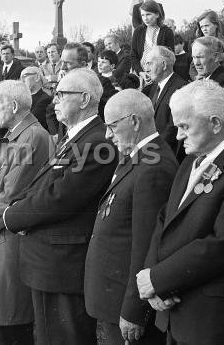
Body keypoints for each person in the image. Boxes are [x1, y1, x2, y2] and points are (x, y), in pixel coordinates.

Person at [137, 80, 224, 345]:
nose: (178, 135)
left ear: (215, 123)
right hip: (176, 310)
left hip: (214, 320)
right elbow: (165, 219)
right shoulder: (192, 159)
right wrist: (152, 278)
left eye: (185, 126)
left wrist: (157, 279)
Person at [2, 68, 118, 345]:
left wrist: (13, 216)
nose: (54, 100)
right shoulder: (76, 137)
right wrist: (19, 205)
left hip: (63, 263)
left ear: (85, 98)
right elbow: (43, 182)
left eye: (61, 94)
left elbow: (60, 197)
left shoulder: (97, 142)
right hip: (49, 261)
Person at [84, 89, 176, 345]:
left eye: (112, 126)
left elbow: (146, 246)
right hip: (111, 299)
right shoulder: (139, 156)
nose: (107, 135)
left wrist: (135, 310)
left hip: (124, 308)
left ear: (134, 121)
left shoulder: (154, 168)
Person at [0, 80, 52, 345]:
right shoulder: (10, 137)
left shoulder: (33, 137)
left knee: (11, 328)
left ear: (14, 106)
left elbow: (11, 195)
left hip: (9, 244)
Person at [142, 46, 187, 154]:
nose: (146, 69)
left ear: (164, 65)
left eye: (150, 63)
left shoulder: (181, 88)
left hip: (165, 153)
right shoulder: (153, 87)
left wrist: (152, 150)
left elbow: (173, 128)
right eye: (145, 64)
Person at [191, 36, 224, 121]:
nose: (196, 63)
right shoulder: (203, 80)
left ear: (216, 57)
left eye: (200, 57)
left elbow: (218, 119)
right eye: (194, 57)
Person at [131, 1, 175, 82]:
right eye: (143, 15)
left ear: (157, 14)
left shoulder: (167, 32)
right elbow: (133, 56)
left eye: (148, 14)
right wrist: (141, 72)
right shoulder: (138, 31)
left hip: (160, 76)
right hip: (141, 75)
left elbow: (170, 57)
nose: (145, 18)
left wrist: (157, 74)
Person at [20, 66, 52, 131]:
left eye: (24, 76)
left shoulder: (45, 99)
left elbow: (28, 122)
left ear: (37, 77)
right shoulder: (24, 99)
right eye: (20, 78)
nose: (22, 81)